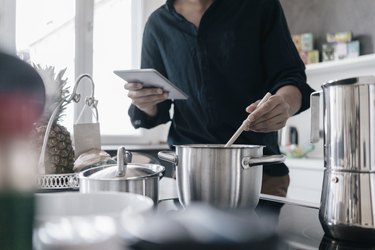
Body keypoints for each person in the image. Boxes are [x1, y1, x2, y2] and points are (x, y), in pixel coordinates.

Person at [125, 0, 314, 197]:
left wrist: (284, 104)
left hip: (258, 173)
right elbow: (156, 111)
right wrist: (145, 103)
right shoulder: (157, 25)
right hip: (187, 175)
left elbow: (292, 78)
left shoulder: (261, 6)